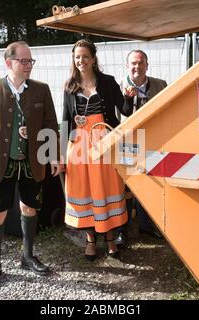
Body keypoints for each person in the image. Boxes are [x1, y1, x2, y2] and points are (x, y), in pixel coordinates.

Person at [0, 41, 62, 290]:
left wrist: (54, 155)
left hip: (32, 163)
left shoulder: (41, 90)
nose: (28, 66)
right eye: (23, 61)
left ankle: (28, 256)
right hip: (1, 164)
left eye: (30, 61)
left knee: (29, 208)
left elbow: (50, 126)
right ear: (8, 62)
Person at [62, 39, 131, 261]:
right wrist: (62, 155)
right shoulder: (69, 86)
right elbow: (65, 121)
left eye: (85, 56)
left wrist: (129, 96)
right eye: (77, 57)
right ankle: (91, 239)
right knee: (86, 191)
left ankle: (110, 237)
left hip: (104, 142)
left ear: (93, 59)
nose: (81, 61)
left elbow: (125, 109)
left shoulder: (108, 82)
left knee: (105, 188)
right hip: (79, 145)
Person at [115, 49, 167, 247]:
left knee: (150, 182)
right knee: (126, 186)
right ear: (127, 66)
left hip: (153, 141)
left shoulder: (160, 85)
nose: (137, 67)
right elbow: (115, 118)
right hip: (127, 144)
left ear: (147, 65)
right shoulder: (118, 87)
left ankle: (147, 225)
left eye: (141, 63)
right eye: (133, 63)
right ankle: (123, 229)